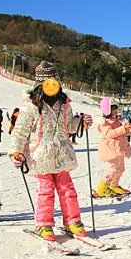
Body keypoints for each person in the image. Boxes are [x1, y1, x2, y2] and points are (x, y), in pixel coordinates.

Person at [9, 61, 93, 241]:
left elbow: (68, 126)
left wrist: (80, 122)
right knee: (45, 191)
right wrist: (16, 152)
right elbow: (20, 132)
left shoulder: (64, 105)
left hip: (62, 153)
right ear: (39, 86)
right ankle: (44, 224)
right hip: (40, 156)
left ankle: (73, 221)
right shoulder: (30, 107)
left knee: (67, 189)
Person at [96, 97, 131, 197]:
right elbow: (109, 133)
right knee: (114, 168)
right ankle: (102, 188)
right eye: (113, 108)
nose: (116, 110)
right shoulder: (104, 122)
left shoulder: (117, 120)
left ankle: (113, 185)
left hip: (119, 148)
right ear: (107, 110)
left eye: (116, 108)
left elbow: (124, 132)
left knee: (121, 168)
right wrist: (123, 128)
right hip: (110, 149)